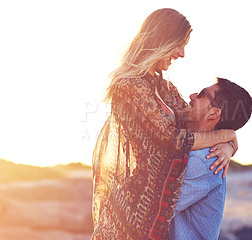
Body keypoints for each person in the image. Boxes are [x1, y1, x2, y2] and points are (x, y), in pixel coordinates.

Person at [91, 9, 237, 240]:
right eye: (179, 44)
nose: (181, 53)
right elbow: (175, 140)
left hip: (153, 212)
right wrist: (227, 134)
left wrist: (229, 144)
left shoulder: (166, 91)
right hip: (131, 207)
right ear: (161, 41)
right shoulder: (129, 87)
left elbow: (196, 124)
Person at [169, 78, 252, 240]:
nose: (192, 96)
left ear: (214, 113)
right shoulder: (199, 149)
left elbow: (158, 207)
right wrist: (231, 141)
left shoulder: (204, 159)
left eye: (201, 95)